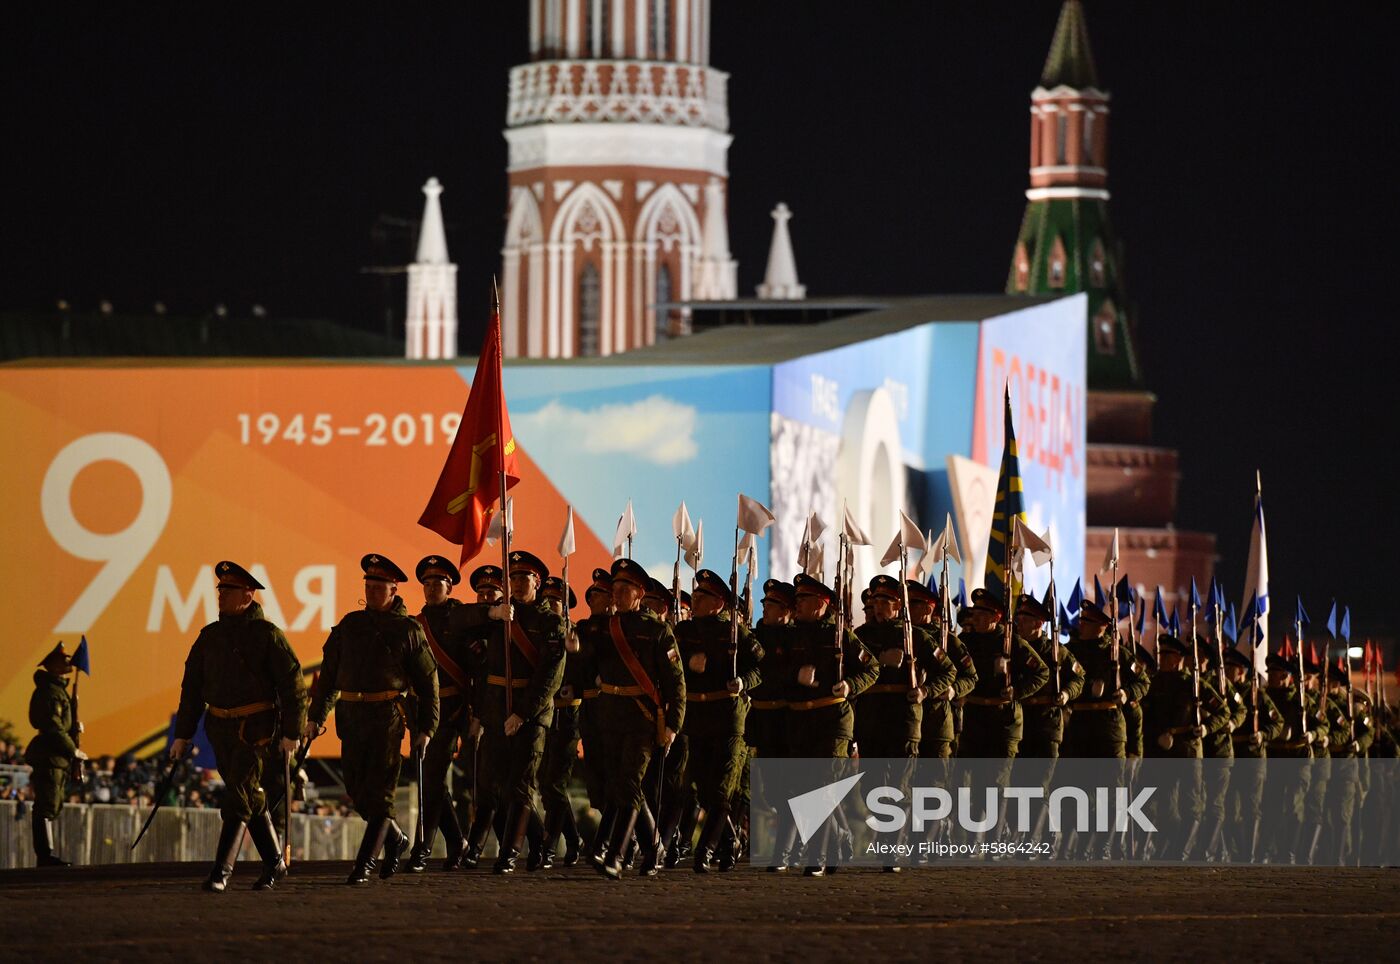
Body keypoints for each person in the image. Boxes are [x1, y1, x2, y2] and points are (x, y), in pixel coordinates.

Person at [172, 561, 306, 891]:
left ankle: (221, 871)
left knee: (239, 794)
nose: (221, 595)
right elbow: (191, 689)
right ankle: (275, 861)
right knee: (248, 794)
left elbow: (294, 686)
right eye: (220, 589)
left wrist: (292, 732)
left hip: (257, 729)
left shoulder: (268, 636)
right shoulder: (210, 637)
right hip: (220, 728)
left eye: (228, 590)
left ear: (248, 594)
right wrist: (183, 734)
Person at [306, 554, 437, 885]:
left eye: (379, 585)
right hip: (350, 718)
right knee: (357, 790)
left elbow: (428, 683)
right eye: (369, 584)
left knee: (380, 793)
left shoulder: (408, 630)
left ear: (394, 589)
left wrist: (426, 729)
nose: (373, 590)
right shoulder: (349, 625)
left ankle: (364, 863)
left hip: (387, 718)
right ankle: (395, 837)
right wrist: (314, 719)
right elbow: (328, 679)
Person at [461, 549, 567, 874]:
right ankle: (540, 840)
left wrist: (522, 713)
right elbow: (456, 622)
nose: (519, 583)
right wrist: (490, 615)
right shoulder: (501, 614)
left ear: (538, 582)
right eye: (514, 578)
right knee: (497, 786)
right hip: (495, 711)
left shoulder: (551, 622)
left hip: (531, 715)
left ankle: (509, 853)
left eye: (525, 578)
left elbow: (550, 675)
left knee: (521, 785)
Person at [582, 559, 685, 879]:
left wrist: (672, 724)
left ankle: (615, 855)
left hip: (641, 719)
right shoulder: (603, 626)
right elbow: (585, 663)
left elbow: (674, 681)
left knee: (628, 784)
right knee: (618, 786)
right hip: (609, 716)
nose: (617, 593)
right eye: (615, 588)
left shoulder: (656, 629)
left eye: (624, 588)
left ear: (640, 593)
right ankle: (654, 847)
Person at [770, 573, 879, 876]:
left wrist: (849, 686)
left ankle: (815, 857)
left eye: (803, 599)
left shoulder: (840, 635)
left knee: (822, 788)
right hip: (799, 720)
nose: (797, 604)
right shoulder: (791, 635)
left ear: (820, 603)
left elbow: (872, 668)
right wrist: (794, 677)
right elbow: (772, 672)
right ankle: (837, 841)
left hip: (833, 719)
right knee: (802, 789)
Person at [674, 569, 764, 873]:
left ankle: (705, 851)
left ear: (719, 603)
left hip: (727, 717)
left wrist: (742, 681)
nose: (696, 599)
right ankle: (730, 840)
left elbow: (761, 668)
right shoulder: (683, 632)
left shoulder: (736, 634)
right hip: (696, 717)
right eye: (695, 594)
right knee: (702, 785)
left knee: (723, 789)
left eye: (703, 596)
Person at [407, 555, 477, 872]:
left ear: (450, 586)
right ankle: (456, 842)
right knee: (432, 780)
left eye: (439, 582)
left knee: (437, 778)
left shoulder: (461, 620)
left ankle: (424, 847)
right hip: (426, 712)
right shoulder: (414, 625)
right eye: (427, 583)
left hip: (456, 709)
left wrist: (475, 710)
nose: (432, 587)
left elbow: (479, 667)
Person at [538, 574, 586, 867]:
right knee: (547, 784)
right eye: (547, 599)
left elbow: (591, 670)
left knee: (554, 783)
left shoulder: (576, 634)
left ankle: (549, 845)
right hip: (543, 714)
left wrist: (575, 659)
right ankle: (573, 838)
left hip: (568, 717)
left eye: (556, 600)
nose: (551, 604)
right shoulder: (539, 631)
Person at [25, 642, 86, 867]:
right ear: (53, 665)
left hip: (56, 756)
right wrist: (72, 749)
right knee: (47, 805)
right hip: (50, 754)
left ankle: (46, 854)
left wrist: (75, 729)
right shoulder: (49, 692)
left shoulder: (56, 690)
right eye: (63, 660)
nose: (68, 662)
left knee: (53, 803)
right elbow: (52, 726)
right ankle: (45, 854)